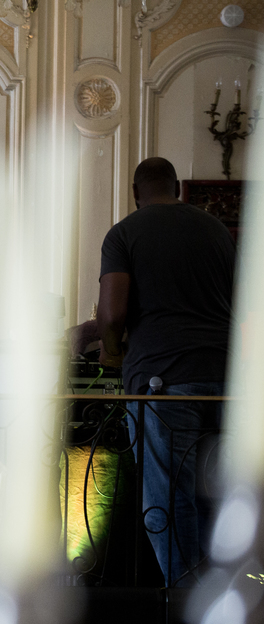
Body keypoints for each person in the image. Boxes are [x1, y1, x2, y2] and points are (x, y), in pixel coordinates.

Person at [97, 157, 236, 587]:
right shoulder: (216, 231)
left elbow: (113, 312)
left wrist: (110, 350)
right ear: (176, 187)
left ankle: (184, 613)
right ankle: (225, 607)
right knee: (215, 498)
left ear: (135, 193)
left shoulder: (124, 233)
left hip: (164, 384)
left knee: (168, 501)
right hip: (223, 381)